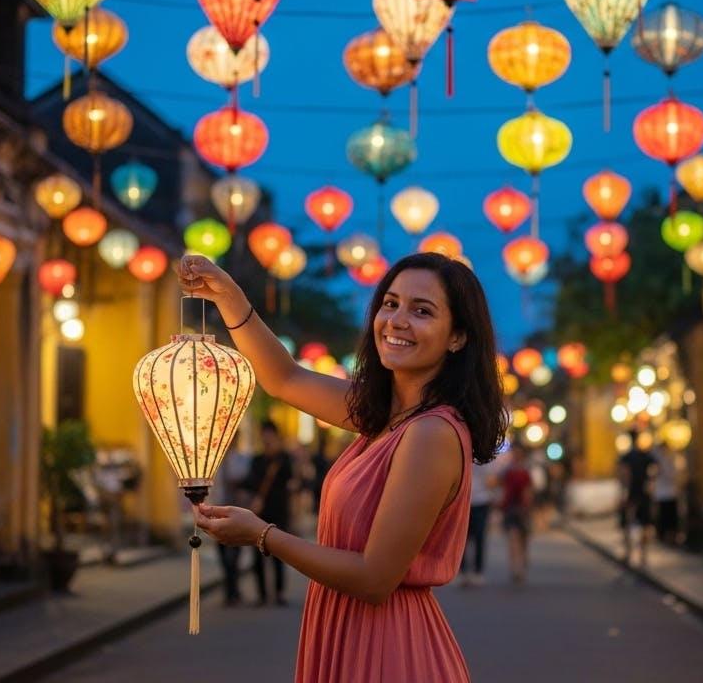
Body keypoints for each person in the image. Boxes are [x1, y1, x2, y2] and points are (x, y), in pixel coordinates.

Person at [180, 251, 506, 682]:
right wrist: (229, 297)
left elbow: (374, 579)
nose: (397, 320)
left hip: (389, 649)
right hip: (346, 631)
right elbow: (285, 379)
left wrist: (262, 535)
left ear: (458, 337)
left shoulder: (430, 434)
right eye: (390, 303)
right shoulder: (385, 417)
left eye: (421, 310)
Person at [245, 420, 295, 606]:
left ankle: (280, 592)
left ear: (275, 435)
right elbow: (251, 482)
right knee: (257, 555)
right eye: (263, 433)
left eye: (269, 433)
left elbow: (291, 483)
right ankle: (262, 594)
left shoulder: (284, 458)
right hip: (259, 513)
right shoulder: (257, 459)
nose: (266, 437)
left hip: (279, 510)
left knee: (279, 553)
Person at [213, 446, 252, 607]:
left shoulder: (241, 459)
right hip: (217, 509)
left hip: (236, 511)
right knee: (223, 554)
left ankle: (233, 589)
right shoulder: (214, 461)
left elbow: (245, 482)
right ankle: (230, 590)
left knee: (234, 554)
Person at [460, 452, 502, 587]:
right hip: (479, 501)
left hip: (471, 500)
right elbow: (492, 481)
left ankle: (465, 572)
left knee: (464, 538)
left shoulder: (463, 453)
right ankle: (476, 572)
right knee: (478, 538)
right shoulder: (487, 457)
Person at [618, 431, 656, 566]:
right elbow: (655, 471)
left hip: (631, 494)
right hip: (644, 494)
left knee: (627, 523)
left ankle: (628, 553)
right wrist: (650, 486)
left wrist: (624, 492)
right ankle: (643, 556)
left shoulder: (627, 456)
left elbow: (624, 474)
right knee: (645, 524)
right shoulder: (647, 456)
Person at [499, 442, 533, 584]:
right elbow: (501, 488)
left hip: (523, 509)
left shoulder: (527, 470)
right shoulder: (507, 470)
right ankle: (515, 568)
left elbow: (529, 490)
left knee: (523, 540)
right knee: (513, 539)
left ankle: (522, 563)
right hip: (510, 508)